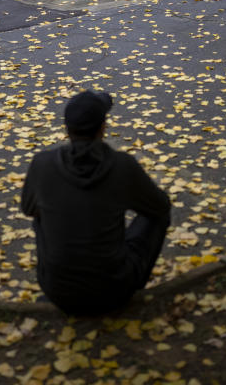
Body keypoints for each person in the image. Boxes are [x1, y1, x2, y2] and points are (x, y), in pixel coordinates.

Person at [21, 90, 171, 316]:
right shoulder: (122, 166)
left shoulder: (42, 164)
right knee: (160, 215)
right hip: (115, 290)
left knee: (40, 216)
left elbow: (28, 209)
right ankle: (129, 279)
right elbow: (160, 206)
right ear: (103, 128)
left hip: (58, 292)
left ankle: (64, 276)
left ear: (67, 129)